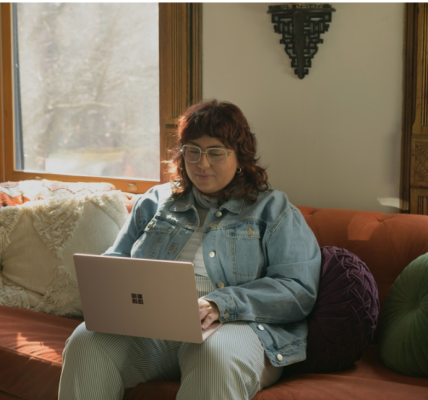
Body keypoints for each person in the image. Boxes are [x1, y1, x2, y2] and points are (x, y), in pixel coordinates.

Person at [58, 99, 321, 400]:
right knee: (86, 342)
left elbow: (298, 289)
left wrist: (220, 303)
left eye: (215, 153)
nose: (202, 163)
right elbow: (115, 262)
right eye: (192, 151)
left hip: (235, 326)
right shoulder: (155, 201)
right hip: (153, 327)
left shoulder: (273, 209)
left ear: (240, 157)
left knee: (214, 360)